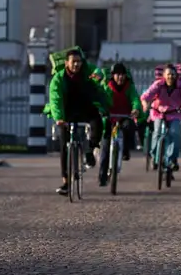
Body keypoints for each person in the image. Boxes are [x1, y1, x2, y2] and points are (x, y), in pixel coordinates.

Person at [43, 47, 109, 196]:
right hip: (66, 113)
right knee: (64, 146)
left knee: (97, 120)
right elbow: (55, 99)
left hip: (85, 108)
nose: (76, 65)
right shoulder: (58, 79)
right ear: (67, 63)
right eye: (73, 62)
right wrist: (59, 118)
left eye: (79, 62)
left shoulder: (87, 71)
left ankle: (90, 149)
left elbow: (98, 71)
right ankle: (66, 182)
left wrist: (98, 77)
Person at [97, 62, 143, 186]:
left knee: (129, 127)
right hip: (110, 118)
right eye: (117, 75)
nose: (120, 77)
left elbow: (135, 99)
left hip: (125, 117)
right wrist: (102, 111)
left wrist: (136, 109)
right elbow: (102, 100)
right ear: (113, 76)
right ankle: (102, 177)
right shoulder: (107, 86)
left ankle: (126, 150)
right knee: (105, 147)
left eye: (122, 75)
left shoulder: (130, 87)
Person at [141, 64, 181, 172]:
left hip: (174, 113)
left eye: (173, 74)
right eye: (168, 74)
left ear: (176, 76)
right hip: (158, 113)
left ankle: (172, 159)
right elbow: (145, 96)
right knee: (157, 133)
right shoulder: (158, 84)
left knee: (175, 133)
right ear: (164, 76)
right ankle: (154, 156)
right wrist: (145, 105)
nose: (170, 76)